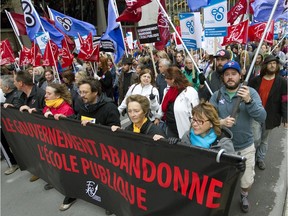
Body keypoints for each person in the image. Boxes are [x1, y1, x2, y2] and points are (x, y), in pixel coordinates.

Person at [54, 78, 120, 213]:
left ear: (95, 92)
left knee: (105, 178)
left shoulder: (109, 107)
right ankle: (72, 193)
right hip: (84, 147)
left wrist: (94, 128)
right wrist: (64, 118)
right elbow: (79, 118)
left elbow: (115, 130)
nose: (81, 95)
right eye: (80, 91)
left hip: (103, 150)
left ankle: (109, 202)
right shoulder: (81, 103)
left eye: (85, 92)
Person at [209, 61, 266, 213]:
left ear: (240, 76)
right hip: (223, 147)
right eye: (227, 74)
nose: (230, 77)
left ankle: (244, 195)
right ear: (223, 77)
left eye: (234, 74)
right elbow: (208, 119)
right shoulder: (217, 95)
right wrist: (221, 122)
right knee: (223, 178)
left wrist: (249, 101)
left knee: (247, 180)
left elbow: (261, 117)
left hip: (246, 146)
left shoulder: (250, 92)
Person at [249, 55, 287, 170]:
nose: (272, 65)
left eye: (274, 63)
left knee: (264, 140)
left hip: (271, 115)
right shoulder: (256, 80)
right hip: (256, 114)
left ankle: (260, 158)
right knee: (255, 138)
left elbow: (285, 100)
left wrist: (285, 118)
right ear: (265, 65)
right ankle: (251, 156)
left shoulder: (282, 82)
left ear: (277, 66)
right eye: (270, 63)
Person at [13, 71, 46, 182]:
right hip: (31, 130)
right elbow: (18, 105)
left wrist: (35, 111)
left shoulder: (41, 94)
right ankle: (41, 171)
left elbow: (48, 111)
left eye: (15, 81)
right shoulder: (21, 95)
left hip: (44, 132)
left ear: (21, 83)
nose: (14, 83)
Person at [154, 66, 199, 138]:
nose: (165, 80)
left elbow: (195, 111)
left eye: (167, 78)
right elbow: (163, 105)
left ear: (173, 79)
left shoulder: (189, 91)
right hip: (170, 127)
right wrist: (158, 117)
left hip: (184, 127)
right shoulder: (167, 90)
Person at [1, 75, 22, 175]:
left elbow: (17, 112)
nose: (0, 87)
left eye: (1, 85)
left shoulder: (16, 96)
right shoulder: (8, 96)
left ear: (7, 87)